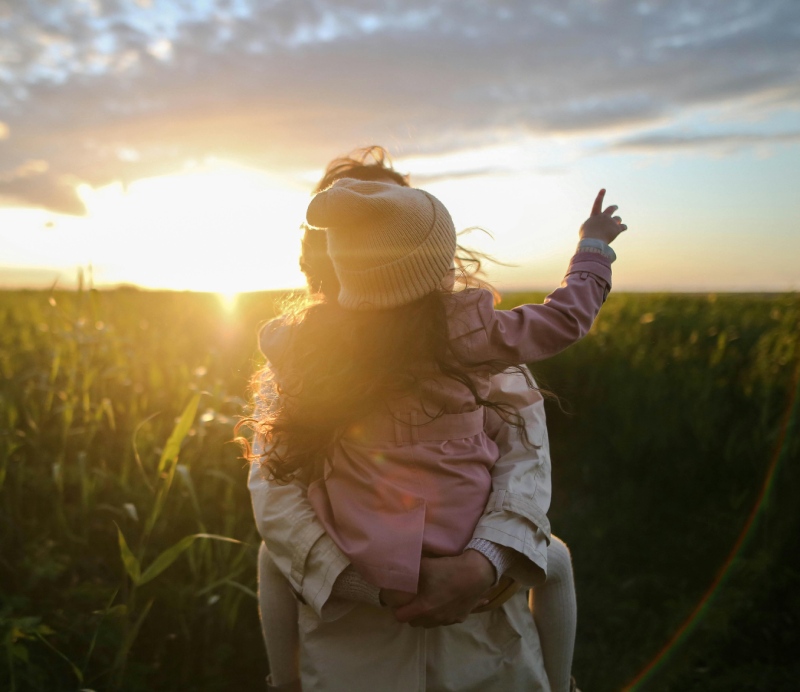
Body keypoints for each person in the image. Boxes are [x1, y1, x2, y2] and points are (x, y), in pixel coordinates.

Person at [246, 148, 623, 691]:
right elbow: (276, 492)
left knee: (270, 561)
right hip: (366, 624)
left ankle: (281, 684)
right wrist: (592, 250)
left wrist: (479, 565)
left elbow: (524, 458)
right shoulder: (474, 336)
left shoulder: (307, 348)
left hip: (464, 618)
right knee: (555, 558)